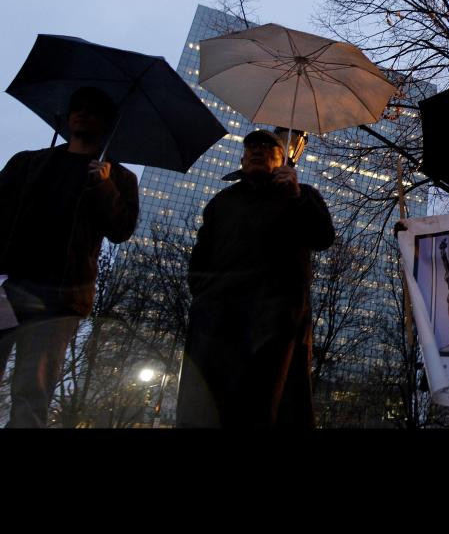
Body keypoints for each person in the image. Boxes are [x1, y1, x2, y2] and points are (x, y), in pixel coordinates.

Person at [0, 86, 139, 428]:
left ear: (108, 123)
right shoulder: (29, 162)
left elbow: (121, 231)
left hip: (59, 299)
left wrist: (104, 187)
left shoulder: (119, 177)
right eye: (78, 106)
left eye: (93, 109)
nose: (82, 112)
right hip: (9, 286)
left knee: (32, 389)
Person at [176, 129, 335, 428]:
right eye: (251, 147)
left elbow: (323, 237)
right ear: (242, 158)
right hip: (218, 321)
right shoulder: (222, 202)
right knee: (211, 404)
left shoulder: (303, 196)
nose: (258, 151)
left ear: (284, 158)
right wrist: (202, 296)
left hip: (275, 324)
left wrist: (297, 197)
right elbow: (201, 255)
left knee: (264, 405)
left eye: (267, 147)